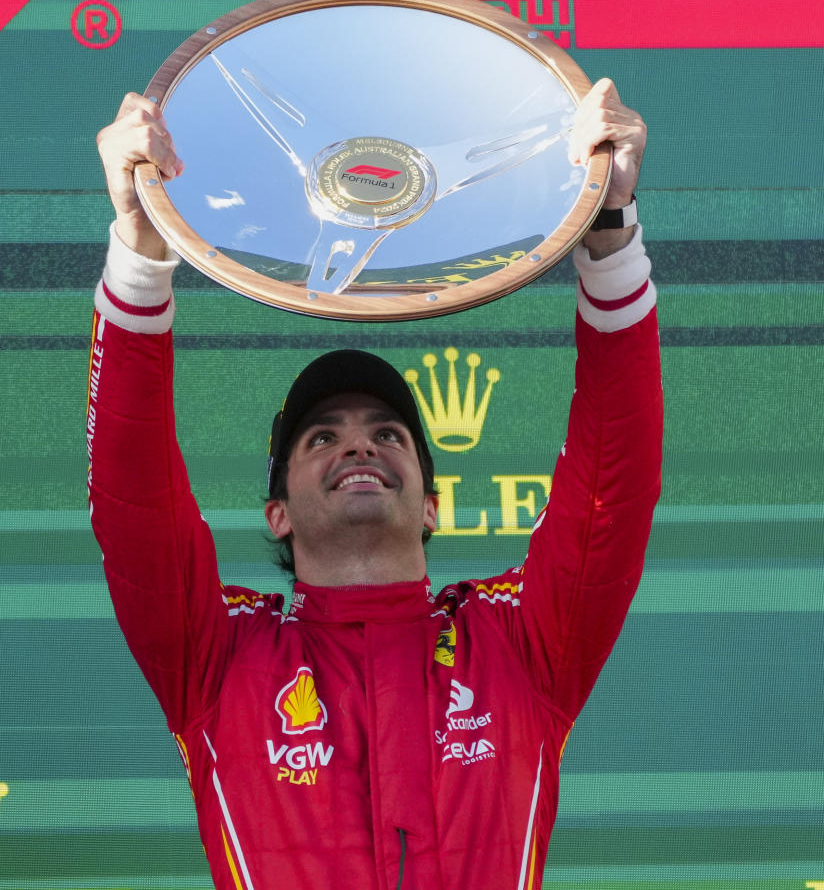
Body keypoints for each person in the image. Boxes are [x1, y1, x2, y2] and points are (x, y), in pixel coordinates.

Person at [88, 77, 663, 890]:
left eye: (387, 433)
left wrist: (609, 233)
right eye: (323, 437)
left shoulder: (519, 644)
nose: (359, 446)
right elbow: (132, 499)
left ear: (430, 504)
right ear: (277, 513)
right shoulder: (220, 660)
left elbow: (617, 479)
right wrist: (142, 255)